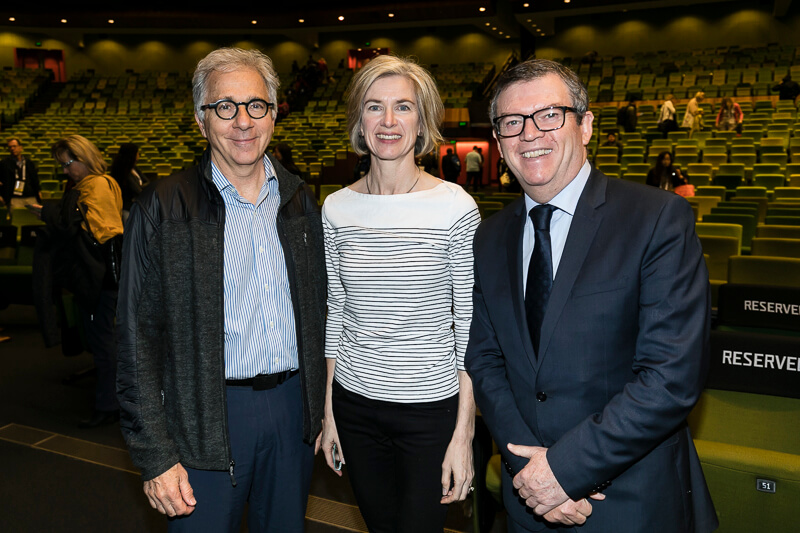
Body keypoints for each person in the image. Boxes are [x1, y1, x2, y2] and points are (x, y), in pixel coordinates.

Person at [465, 59, 718, 532]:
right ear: (498, 141)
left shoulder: (657, 219)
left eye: (549, 115)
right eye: (511, 122)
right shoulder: (491, 235)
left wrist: (562, 471)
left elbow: (670, 376)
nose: (529, 133)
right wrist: (528, 469)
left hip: (630, 502)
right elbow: (485, 358)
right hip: (529, 503)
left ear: (585, 125)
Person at [116, 47, 327, 532]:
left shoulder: (300, 202)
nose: (242, 121)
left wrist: (317, 411)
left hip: (292, 415)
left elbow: (321, 318)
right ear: (200, 118)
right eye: (224, 107)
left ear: (274, 114)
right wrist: (154, 455)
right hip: (204, 416)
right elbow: (134, 340)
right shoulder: (162, 207)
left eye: (256, 105)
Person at [318, 54, 480, 533]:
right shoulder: (336, 207)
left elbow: (471, 325)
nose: (388, 121)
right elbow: (336, 313)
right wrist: (329, 412)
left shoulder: (454, 206)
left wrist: (463, 433)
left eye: (404, 107)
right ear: (359, 120)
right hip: (354, 407)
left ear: (423, 120)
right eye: (374, 107)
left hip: (430, 414)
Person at [31, 135, 123, 428]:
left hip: (98, 277)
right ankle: (111, 402)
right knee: (102, 339)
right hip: (98, 276)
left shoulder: (96, 186)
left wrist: (50, 214)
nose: (64, 170)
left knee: (103, 341)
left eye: (68, 164)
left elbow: (101, 232)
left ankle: (109, 406)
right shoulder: (93, 185)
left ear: (83, 158)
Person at [110, 142, 148, 222]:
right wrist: (143, 187)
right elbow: (137, 190)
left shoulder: (134, 168)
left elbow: (147, 182)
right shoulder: (123, 171)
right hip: (127, 209)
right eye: (137, 153)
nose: (138, 154)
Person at [1, 137, 41, 208]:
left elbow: (35, 179)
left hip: (30, 197)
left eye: (14, 146)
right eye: (10, 147)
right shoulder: (4, 163)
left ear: (20, 147)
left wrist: (38, 191)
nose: (12, 149)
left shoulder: (29, 163)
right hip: (14, 198)